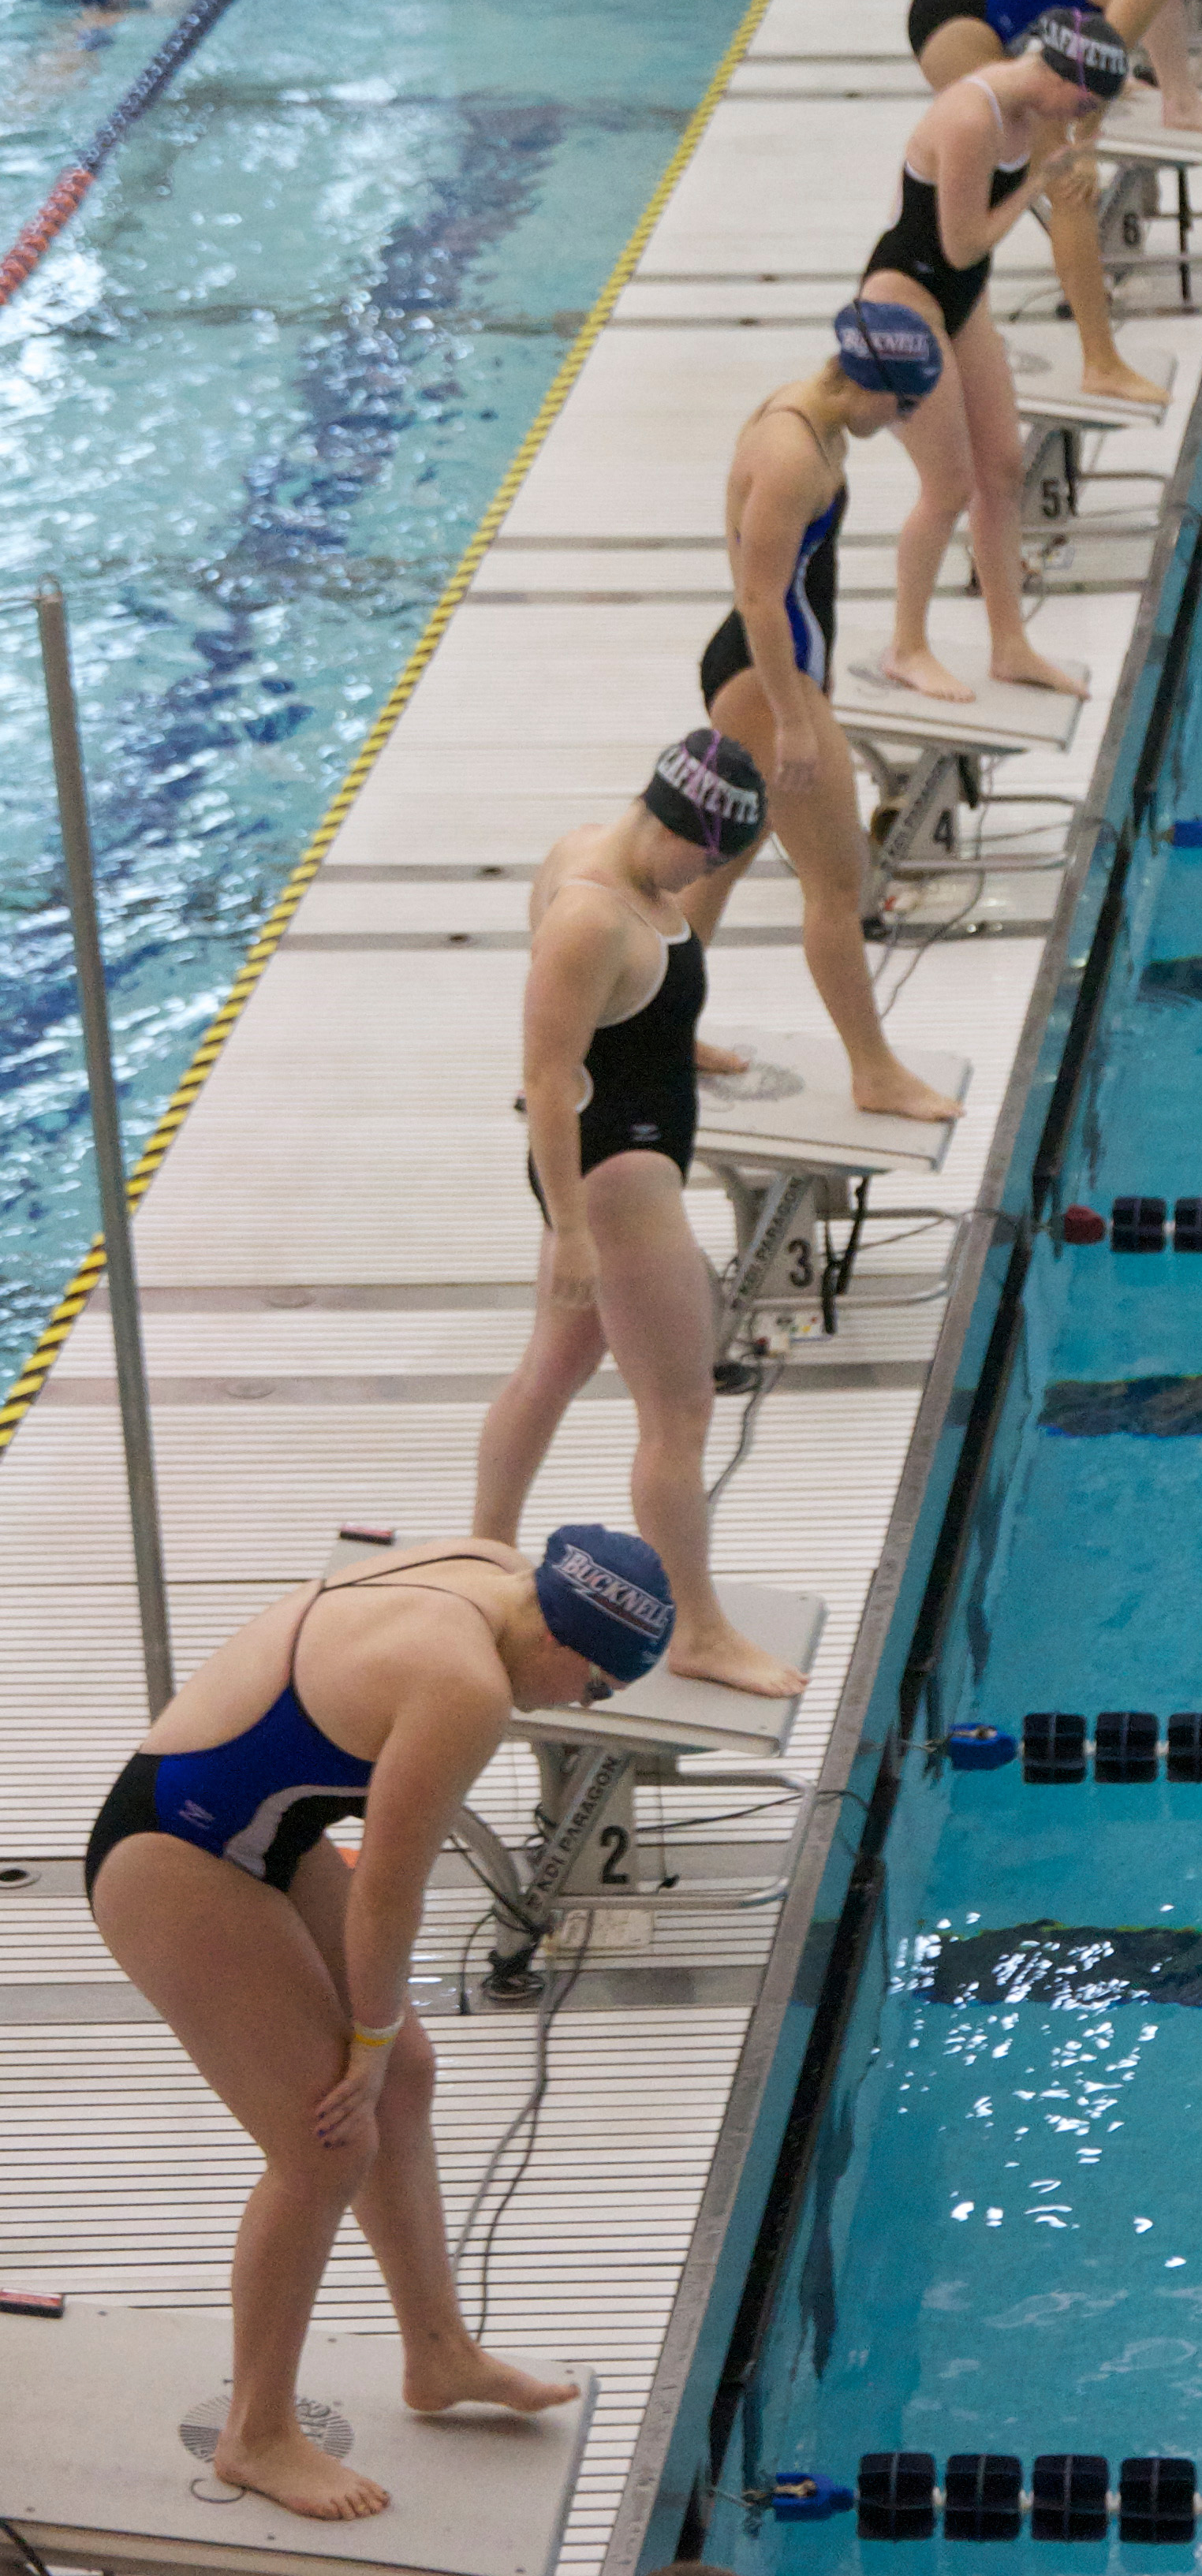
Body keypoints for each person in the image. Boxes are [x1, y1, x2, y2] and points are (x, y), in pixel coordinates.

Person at [84, 1527, 666, 2520]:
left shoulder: (489, 1566)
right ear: (569, 1649)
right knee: (325, 2138)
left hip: (247, 1822)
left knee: (404, 2082)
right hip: (172, 1857)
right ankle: (255, 2433)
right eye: (595, 1690)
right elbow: (387, 1895)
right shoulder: (466, 1688)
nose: (578, 1707)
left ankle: (438, 2354)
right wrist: (365, 2039)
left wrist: (383, 2051)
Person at [473, 729, 812, 1702]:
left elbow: (623, 1016)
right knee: (681, 1410)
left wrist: (682, 1036)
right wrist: (573, 1227)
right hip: (615, 1179)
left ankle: (482, 1551)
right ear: (679, 823)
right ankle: (698, 1631)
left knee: (554, 1365)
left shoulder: (593, 857)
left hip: (615, 1159)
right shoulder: (592, 914)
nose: (707, 874)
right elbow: (543, 1076)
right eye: (708, 855)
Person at [696, 307, 961, 1124]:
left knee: (718, 864)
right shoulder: (788, 454)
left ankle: (654, 1024)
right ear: (864, 384)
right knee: (840, 881)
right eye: (902, 405)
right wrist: (795, 716)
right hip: (761, 679)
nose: (905, 420)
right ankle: (872, 1070)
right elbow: (758, 598)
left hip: (774, 673)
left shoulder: (813, 419)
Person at [864, 11, 1126, 707]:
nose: (1083, 117)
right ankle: (906, 649)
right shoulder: (972, 116)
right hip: (904, 302)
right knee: (947, 486)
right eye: (1085, 104)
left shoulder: (1036, 108)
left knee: (1003, 470)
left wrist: (1077, 165)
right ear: (1061, 75)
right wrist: (1038, 182)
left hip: (962, 300)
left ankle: (1009, 647)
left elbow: (1061, 157)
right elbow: (963, 244)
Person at [905, 0, 1202, 357]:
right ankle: (1098, 360)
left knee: (1048, 163)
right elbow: (1099, 65)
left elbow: (1102, 42)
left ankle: (1081, 348)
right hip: (959, 27)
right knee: (1067, 184)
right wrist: (1085, 147)